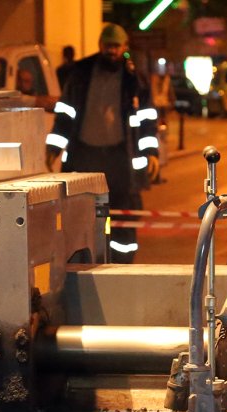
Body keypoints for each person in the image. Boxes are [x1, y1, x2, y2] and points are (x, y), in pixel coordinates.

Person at [45, 24, 160, 263]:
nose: (112, 51)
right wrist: (54, 146)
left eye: (117, 46)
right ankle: (81, 262)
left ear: (125, 47)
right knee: (80, 212)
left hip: (120, 158)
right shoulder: (81, 72)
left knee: (122, 216)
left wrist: (151, 152)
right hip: (85, 155)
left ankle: (122, 266)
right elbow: (66, 112)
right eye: (108, 46)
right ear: (100, 45)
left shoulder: (134, 80)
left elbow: (147, 118)